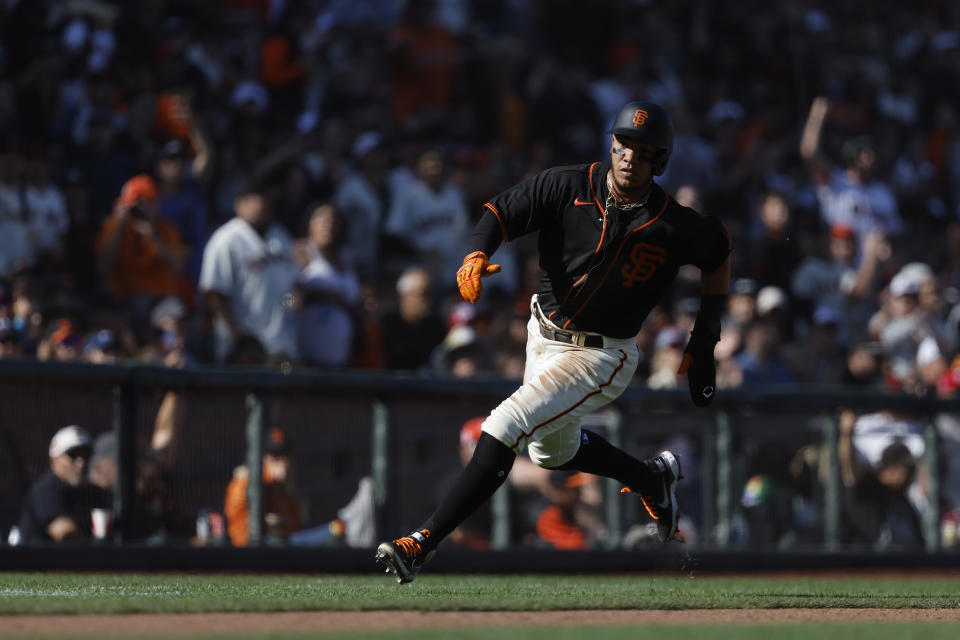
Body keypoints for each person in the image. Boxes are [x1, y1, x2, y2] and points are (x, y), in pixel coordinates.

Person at [375, 101, 731, 583]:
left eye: (643, 151)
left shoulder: (673, 223)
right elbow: (501, 211)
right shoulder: (569, 184)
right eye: (624, 143)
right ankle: (650, 478)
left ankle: (421, 544)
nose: (629, 156)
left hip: (602, 352)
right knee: (551, 454)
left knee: (505, 423)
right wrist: (477, 251)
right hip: (543, 333)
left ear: (659, 162)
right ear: (612, 143)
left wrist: (705, 338)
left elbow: (719, 253)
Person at [199, 182, 300, 363]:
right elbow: (214, 295)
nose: (266, 205)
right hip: (243, 349)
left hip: (282, 346)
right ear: (241, 204)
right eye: (260, 200)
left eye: (269, 200)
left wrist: (291, 302)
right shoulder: (226, 240)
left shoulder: (281, 236)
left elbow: (294, 288)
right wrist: (238, 337)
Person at [18, 425, 111, 543]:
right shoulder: (45, 491)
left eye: (86, 455)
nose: (81, 462)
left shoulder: (90, 491)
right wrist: (97, 552)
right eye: (73, 455)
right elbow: (65, 533)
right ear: (53, 461)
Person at [224, 427, 302, 547]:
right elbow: (239, 534)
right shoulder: (243, 484)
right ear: (262, 459)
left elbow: (296, 536)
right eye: (275, 458)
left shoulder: (288, 496)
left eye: (285, 458)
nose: (283, 464)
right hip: (244, 557)